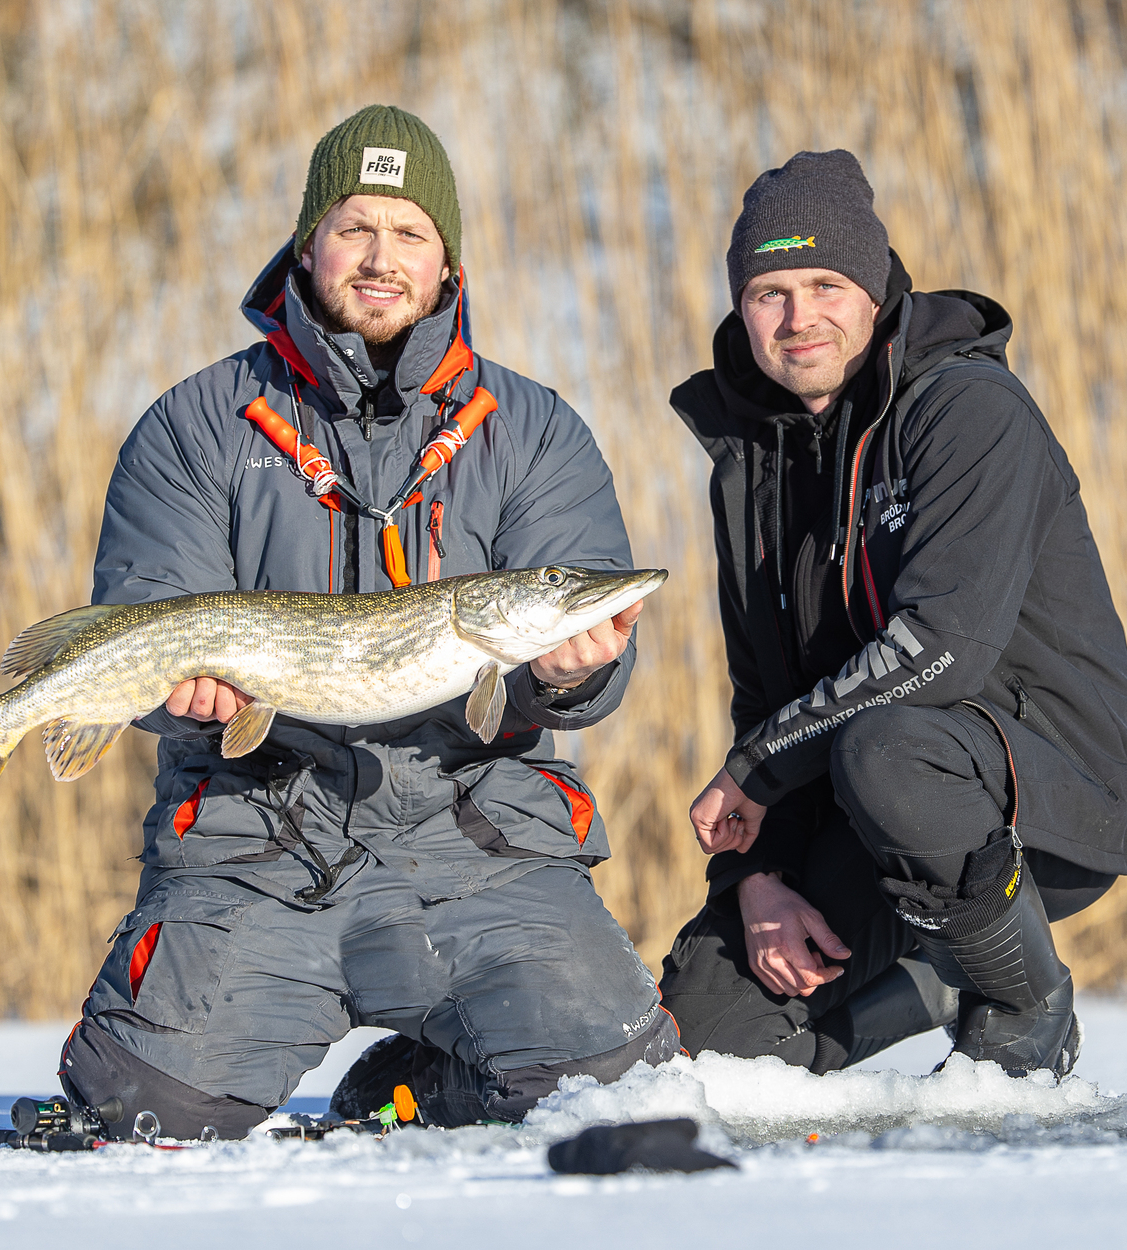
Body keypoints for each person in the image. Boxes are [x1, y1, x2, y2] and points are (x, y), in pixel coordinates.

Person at [57, 105, 675, 1139]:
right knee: (138, 1113)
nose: (380, 257)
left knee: (615, 1099)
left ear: (447, 264)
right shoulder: (196, 424)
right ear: (308, 243)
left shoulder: (532, 431)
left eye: (410, 234)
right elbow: (143, 617)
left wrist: (567, 674)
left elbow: (585, 656)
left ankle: (418, 1077)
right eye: (354, 226)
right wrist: (195, 709)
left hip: (478, 840)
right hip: (256, 838)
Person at [658, 150, 1127, 1078]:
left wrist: (761, 771)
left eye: (825, 282)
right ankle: (938, 973)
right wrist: (754, 878)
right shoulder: (753, 460)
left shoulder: (968, 407)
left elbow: (944, 649)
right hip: (861, 800)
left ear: (877, 283)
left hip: (1035, 790)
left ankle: (1022, 1004)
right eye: (769, 291)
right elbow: (763, 692)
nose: (798, 316)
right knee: (699, 1043)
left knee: (890, 749)